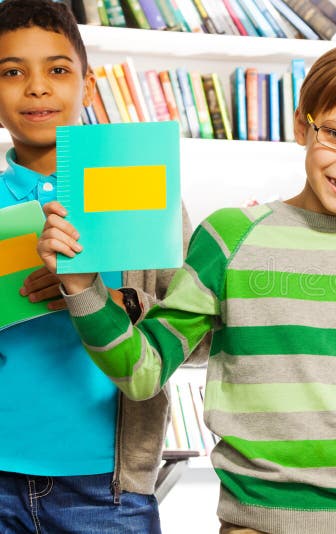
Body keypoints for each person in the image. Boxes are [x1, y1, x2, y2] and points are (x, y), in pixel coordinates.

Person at [37, 41, 336, 533]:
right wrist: (83, 288)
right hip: (251, 523)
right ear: (302, 124)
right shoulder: (228, 238)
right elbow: (143, 374)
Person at [0, 1, 198, 532]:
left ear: (88, 87)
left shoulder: (142, 191)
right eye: (12, 72)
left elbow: (197, 338)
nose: (36, 87)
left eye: (58, 70)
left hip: (106, 489)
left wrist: (102, 299)